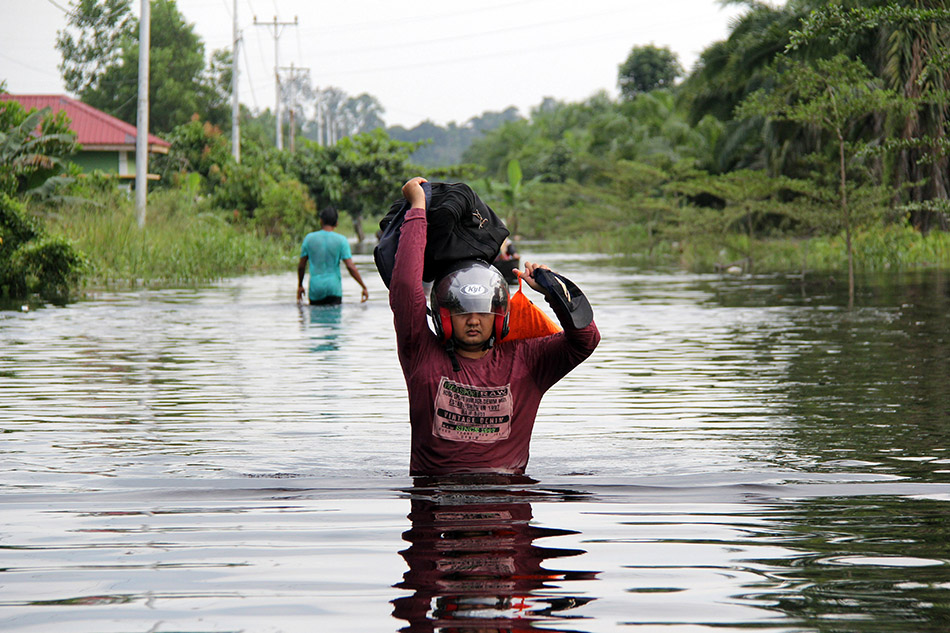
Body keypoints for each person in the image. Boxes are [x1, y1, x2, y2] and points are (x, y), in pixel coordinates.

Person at [389, 177, 600, 476]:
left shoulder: (527, 361)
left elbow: (586, 340)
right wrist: (417, 208)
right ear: (443, 315)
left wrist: (553, 290)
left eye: (483, 312)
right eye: (462, 311)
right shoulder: (421, 354)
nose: (473, 320)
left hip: (508, 505)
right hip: (433, 501)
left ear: (500, 315)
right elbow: (405, 290)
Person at [297, 206, 369, 305]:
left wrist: (300, 285)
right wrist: (363, 286)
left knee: (316, 318)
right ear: (336, 223)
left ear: (321, 221)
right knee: (334, 318)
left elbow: (301, 266)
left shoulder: (309, 239)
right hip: (334, 289)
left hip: (315, 289)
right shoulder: (341, 240)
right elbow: (350, 266)